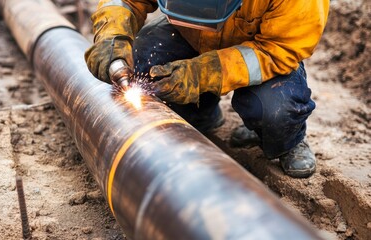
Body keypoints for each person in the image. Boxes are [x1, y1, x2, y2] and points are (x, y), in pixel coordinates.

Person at [84, 0, 330, 178]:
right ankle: (201, 115)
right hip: (190, 35)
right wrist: (112, 35)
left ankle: (288, 141)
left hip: (264, 50)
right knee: (143, 64)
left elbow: (281, 48)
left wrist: (202, 73)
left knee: (276, 110)